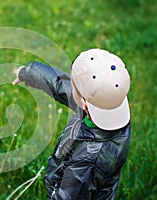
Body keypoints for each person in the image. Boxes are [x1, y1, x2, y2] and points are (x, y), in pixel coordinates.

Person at [12, 48, 131, 200]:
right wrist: (28, 72)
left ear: (84, 103)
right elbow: (61, 85)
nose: (71, 85)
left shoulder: (86, 161)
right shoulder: (110, 104)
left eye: (74, 85)